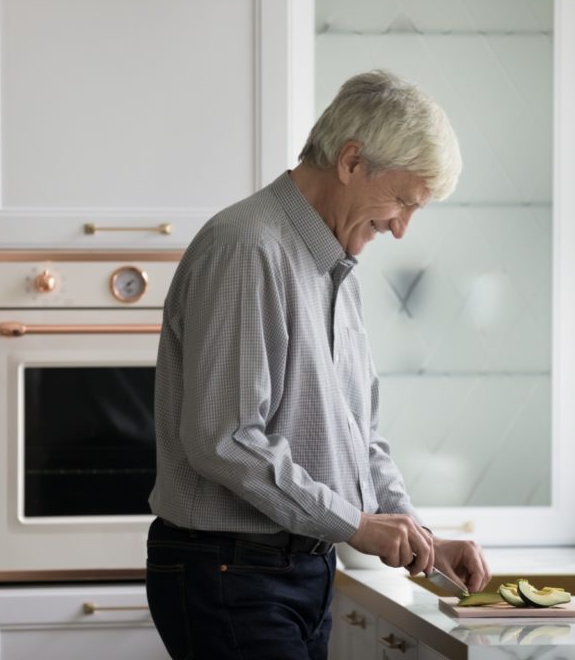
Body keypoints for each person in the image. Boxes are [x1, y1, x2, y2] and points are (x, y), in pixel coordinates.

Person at [146, 70, 492, 660]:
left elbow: (360, 438)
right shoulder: (247, 249)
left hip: (296, 571)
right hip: (231, 573)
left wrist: (414, 534)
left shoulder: (335, 266)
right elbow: (224, 439)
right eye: (403, 200)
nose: (402, 228)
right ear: (352, 161)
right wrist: (357, 525)